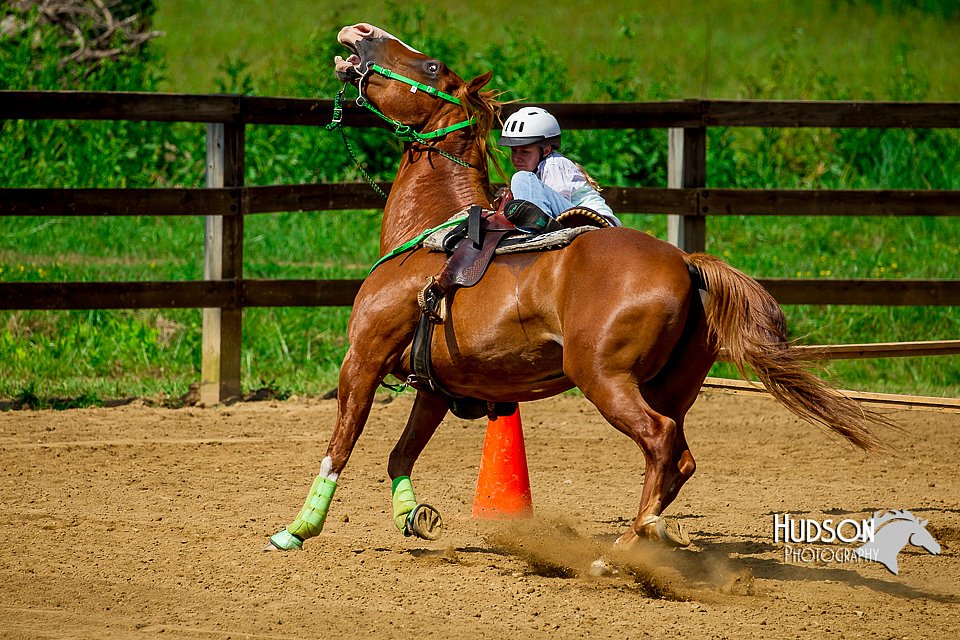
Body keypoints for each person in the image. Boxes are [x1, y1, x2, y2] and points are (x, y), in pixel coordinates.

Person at [498, 107, 621, 231]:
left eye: (525, 151)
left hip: (596, 222)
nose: (517, 158)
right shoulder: (539, 169)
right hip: (580, 217)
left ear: (546, 150)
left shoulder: (554, 165)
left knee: (521, 178)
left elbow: (559, 211)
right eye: (513, 151)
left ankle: (536, 231)